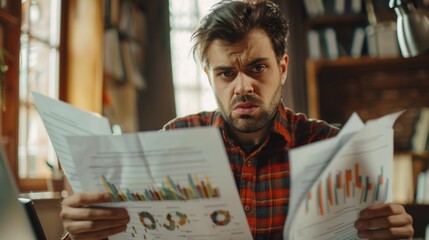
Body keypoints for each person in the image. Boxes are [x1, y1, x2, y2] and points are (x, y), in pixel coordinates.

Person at [60, 0, 414, 239]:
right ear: (210, 76)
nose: (243, 87)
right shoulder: (174, 139)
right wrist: (86, 232)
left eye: (258, 68)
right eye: (227, 74)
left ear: (283, 67)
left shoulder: (329, 146)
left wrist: (391, 232)